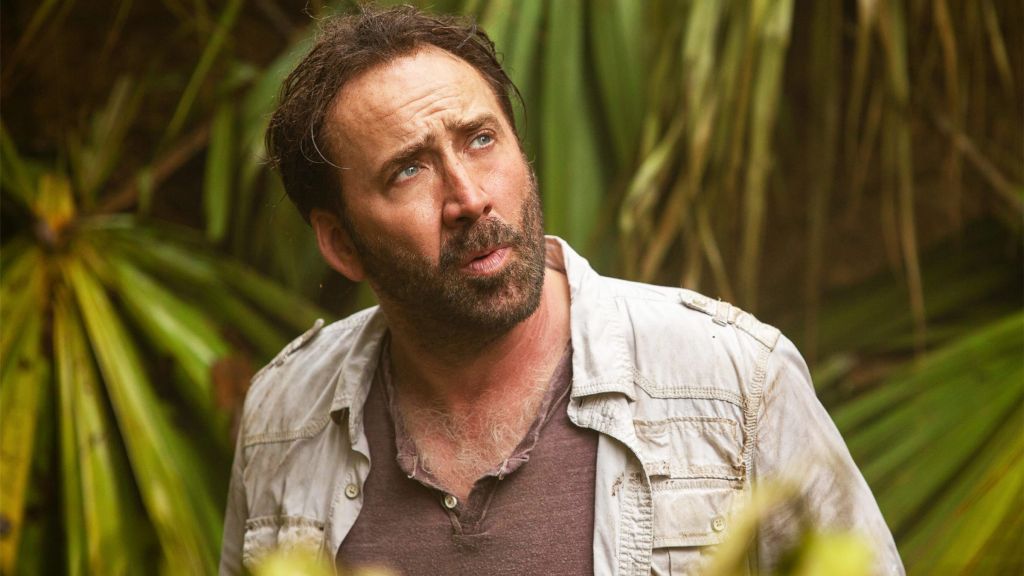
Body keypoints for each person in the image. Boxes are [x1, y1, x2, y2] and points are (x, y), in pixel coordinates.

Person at [220, 5, 904, 575]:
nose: (470, 197)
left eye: (480, 139)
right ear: (341, 243)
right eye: (408, 171)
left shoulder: (733, 382)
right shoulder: (285, 417)